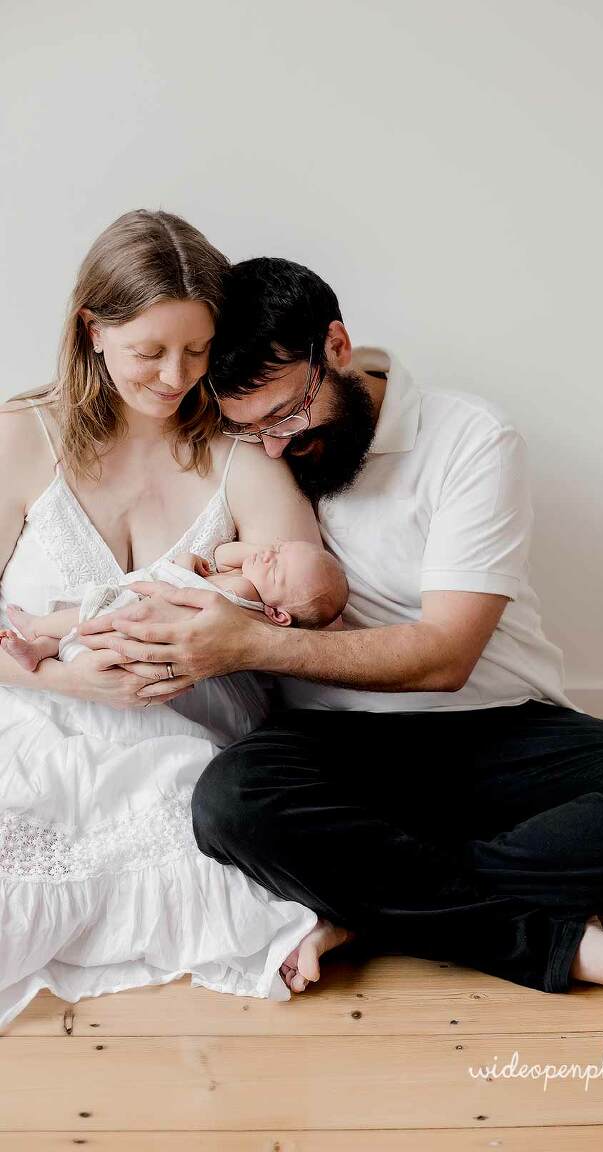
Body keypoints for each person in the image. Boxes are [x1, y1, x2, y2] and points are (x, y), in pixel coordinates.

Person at [78, 257, 603, 1016]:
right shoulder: (256, 453)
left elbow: (445, 657)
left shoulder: (469, 439)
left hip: (496, 731)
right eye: (248, 428)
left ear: (335, 346)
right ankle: (551, 941)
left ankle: (362, 903)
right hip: (336, 745)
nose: (273, 448)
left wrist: (251, 645)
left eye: (287, 416)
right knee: (229, 802)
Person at [0, 217, 350, 1031]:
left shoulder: (237, 456)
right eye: (149, 351)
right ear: (93, 330)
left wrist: (233, 617)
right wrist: (57, 675)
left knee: (208, 834)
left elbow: (299, 598)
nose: (174, 376)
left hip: (184, 727)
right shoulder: (22, 437)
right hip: (31, 707)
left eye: (197, 352)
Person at [1, 537, 349, 671]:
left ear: (278, 614)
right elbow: (220, 556)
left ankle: (36, 629)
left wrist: (185, 564)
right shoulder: (249, 585)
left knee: (90, 614)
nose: (269, 554)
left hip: (142, 615)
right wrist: (263, 556)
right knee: (79, 631)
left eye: (278, 569)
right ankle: (40, 649)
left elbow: (189, 586)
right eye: (278, 548)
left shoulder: (246, 600)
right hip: (141, 613)